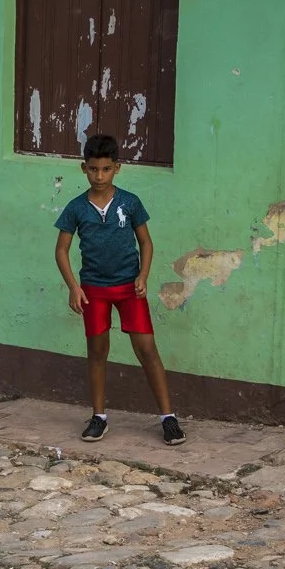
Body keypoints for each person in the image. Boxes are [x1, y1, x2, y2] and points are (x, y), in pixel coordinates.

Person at [54, 134, 184, 446]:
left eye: (107, 169)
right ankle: (99, 417)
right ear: (84, 168)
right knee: (97, 352)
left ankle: (168, 418)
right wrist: (74, 287)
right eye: (94, 169)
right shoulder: (75, 208)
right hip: (93, 290)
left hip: (129, 289)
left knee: (147, 350)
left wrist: (144, 275)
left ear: (118, 168)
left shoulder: (130, 202)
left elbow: (146, 242)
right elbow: (61, 250)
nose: (100, 176)